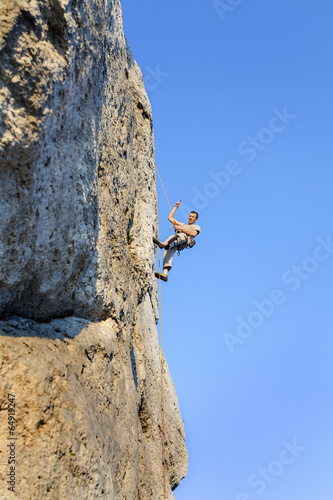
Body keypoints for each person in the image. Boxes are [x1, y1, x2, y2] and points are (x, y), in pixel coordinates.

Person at [153, 200, 200, 282]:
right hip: (176, 243)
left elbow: (193, 234)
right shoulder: (182, 224)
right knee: (167, 252)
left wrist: (180, 228)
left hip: (184, 239)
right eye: (190, 216)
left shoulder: (196, 226)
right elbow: (170, 218)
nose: (190, 217)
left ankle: (164, 244)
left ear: (196, 219)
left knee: (179, 235)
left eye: (192, 217)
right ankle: (165, 274)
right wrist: (175, 207)